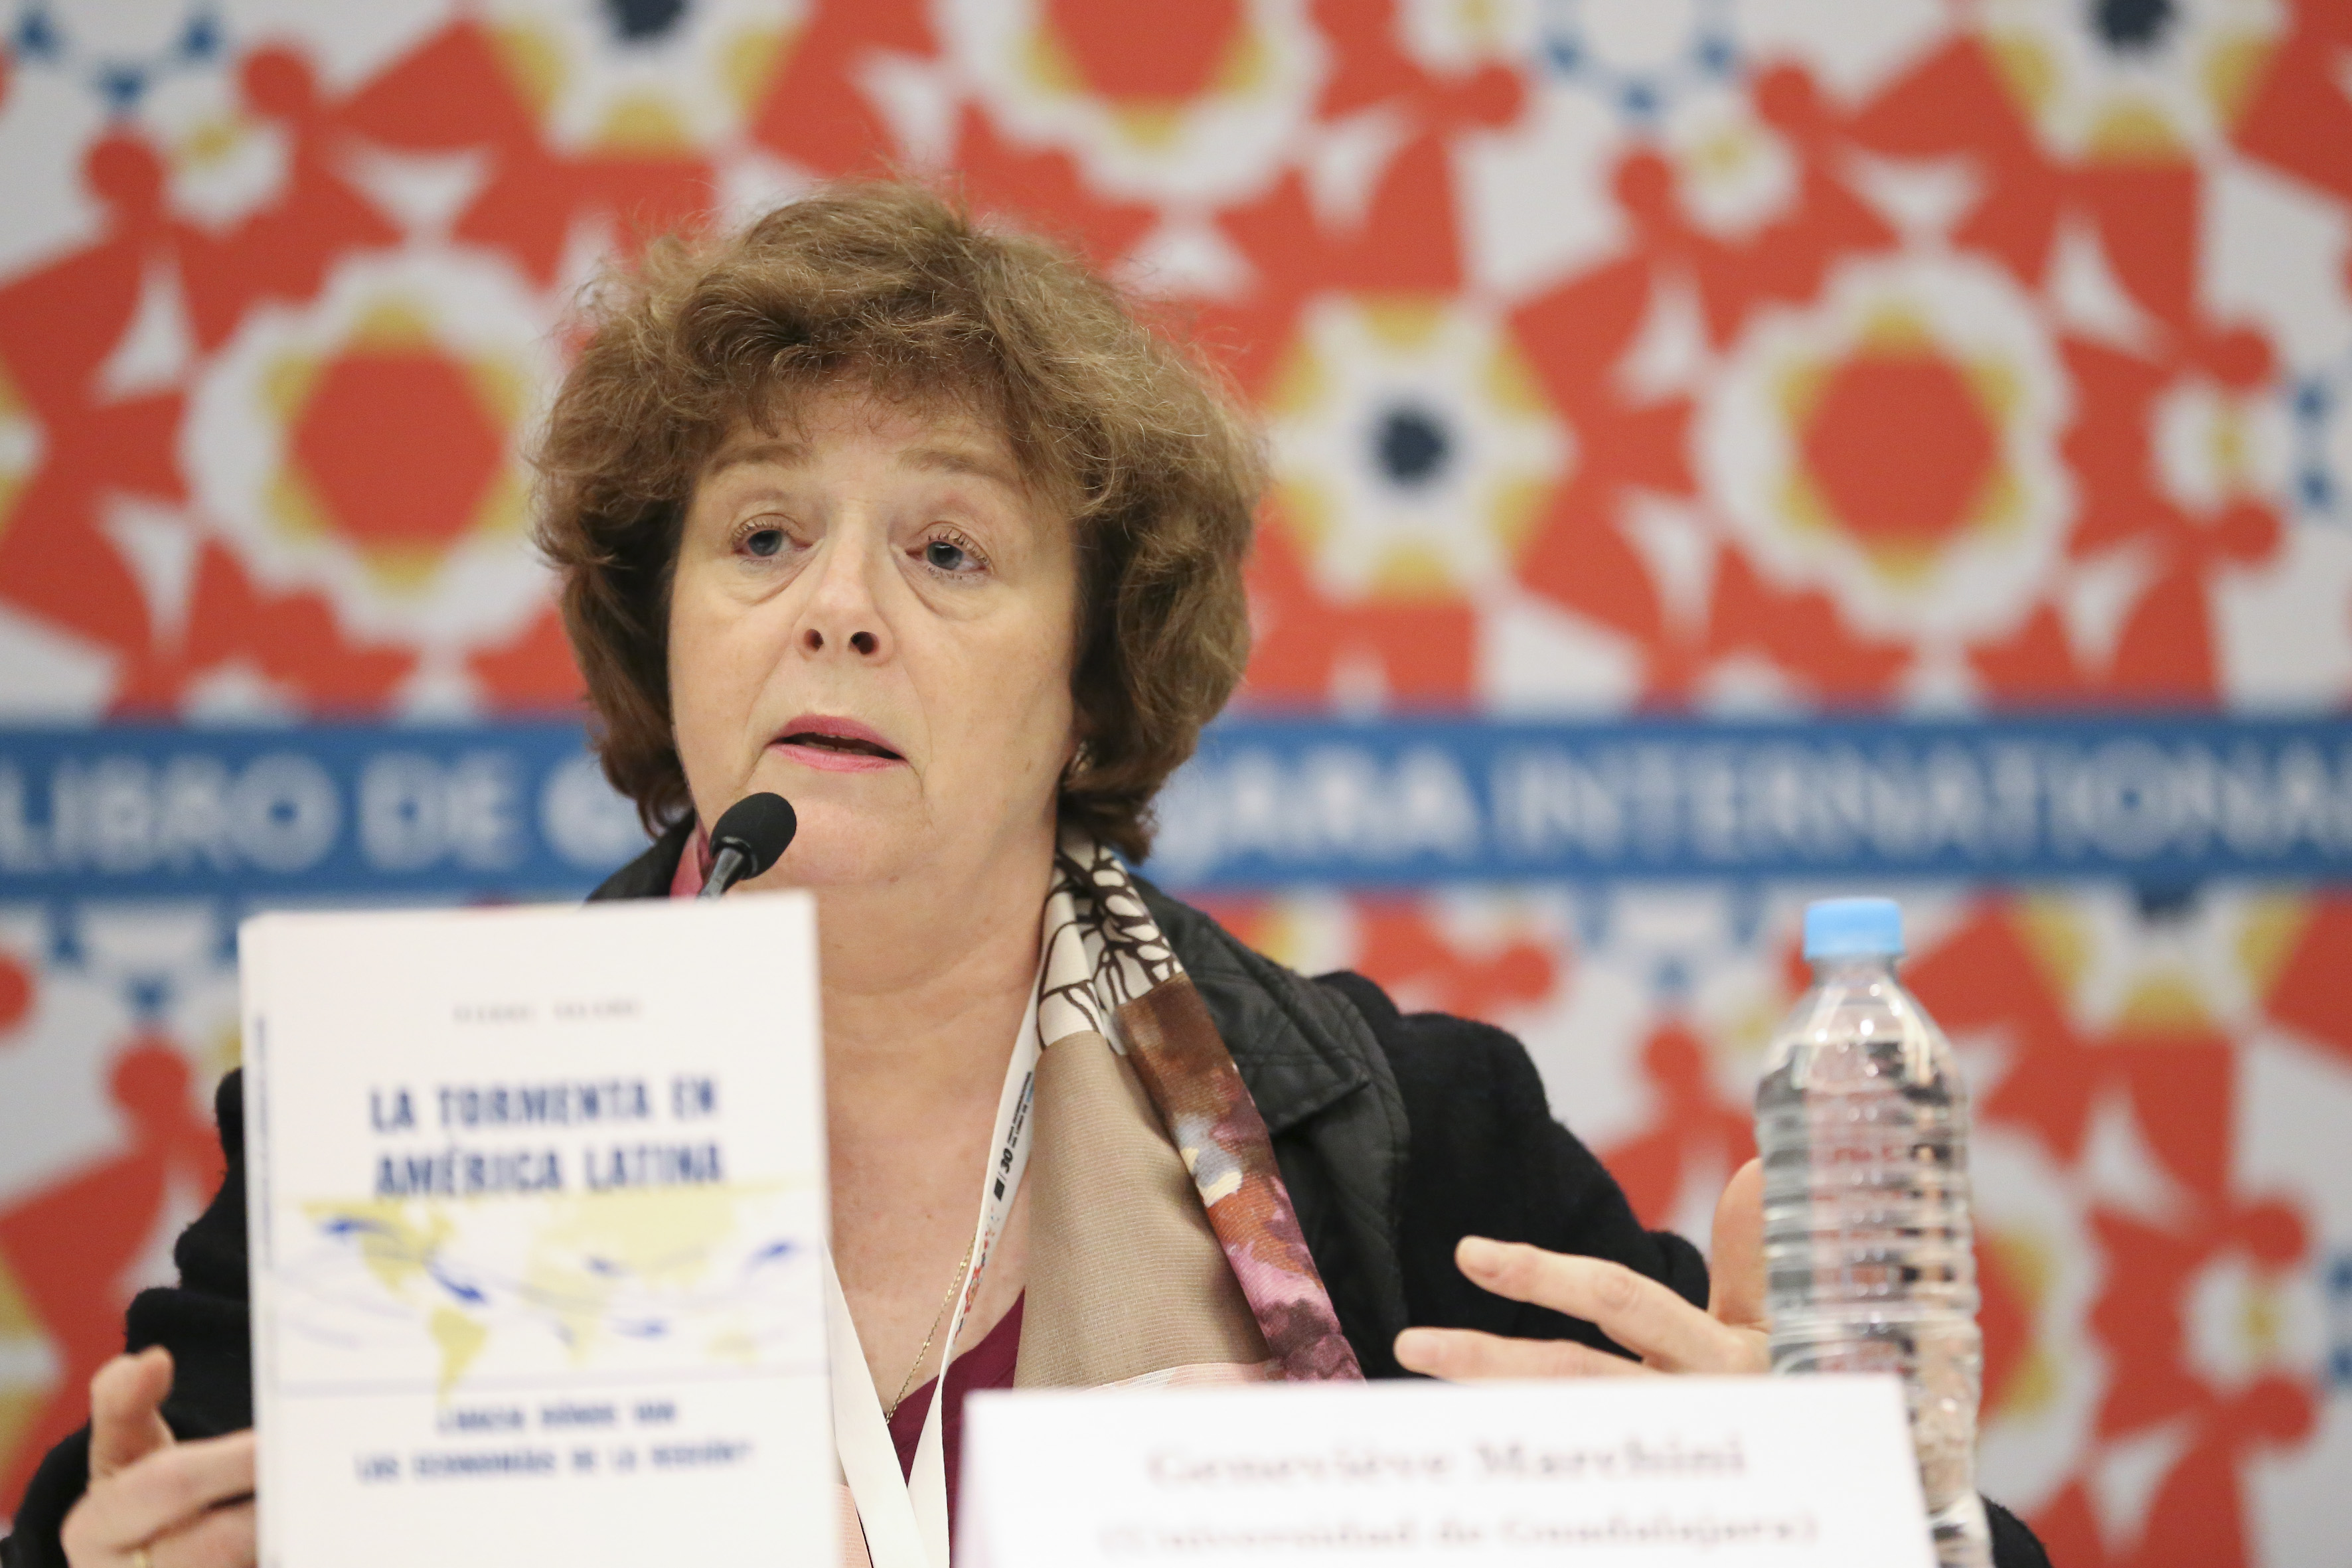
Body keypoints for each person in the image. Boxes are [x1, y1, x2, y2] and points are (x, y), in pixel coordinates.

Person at [3, 184, 2049, 1568]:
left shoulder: (1392, 1136)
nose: (839, 610)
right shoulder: (408, 1142)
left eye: (950, 549)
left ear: (1087, 687)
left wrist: (1853, 1513)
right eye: (763, 536)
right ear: (662, 628)